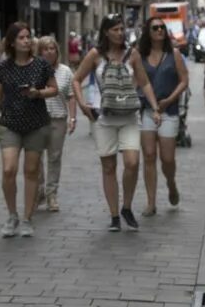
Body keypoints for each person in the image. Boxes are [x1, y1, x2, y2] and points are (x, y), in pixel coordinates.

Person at [72, 13, 162, 232]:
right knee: (109, 166)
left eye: (122, 29)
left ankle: (127, 206)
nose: (120, 33)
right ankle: (114, 215)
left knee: (132, 163)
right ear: (106, 32)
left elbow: (144, 82)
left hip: (130, 116)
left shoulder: (132, 55)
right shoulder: (95, 55)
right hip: (104, 118)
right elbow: (76, 79)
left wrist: (155, 107)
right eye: (115, 29)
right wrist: (83, 105)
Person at [0, 22, 58, 238]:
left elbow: (54, 89)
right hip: (9, 123)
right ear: (12, 42)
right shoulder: (4, 67)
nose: (27, 40)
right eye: (21, 37)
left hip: (36, 124)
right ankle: (12, 215)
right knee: (9, 169)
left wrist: (38, 93)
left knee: (31, 171)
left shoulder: (41, 65)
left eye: (28, 37)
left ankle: (27, 218)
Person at [137, 16, 189, 216]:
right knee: (149, 155)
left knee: (167, 158)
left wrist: (170, 99)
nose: (159, 31)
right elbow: (139, 82)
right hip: (148, 111)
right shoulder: (141, 55)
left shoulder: (173, 54)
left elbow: (184, 81)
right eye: (155, 28)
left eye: (162, 28)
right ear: (148, 32)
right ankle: (151, 202)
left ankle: (171, 183)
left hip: (169, 111)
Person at [35, 36, 77, 212]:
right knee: (35, 158)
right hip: (36, 119)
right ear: (40, 52)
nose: (49, 52)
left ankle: (52, 194)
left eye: (52, 48)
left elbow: (71, 95)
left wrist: (72, 118)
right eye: (45, 49)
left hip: (58, 119)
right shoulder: (33, 69)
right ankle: (39, 191)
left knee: (54, 157)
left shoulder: (65, 71)